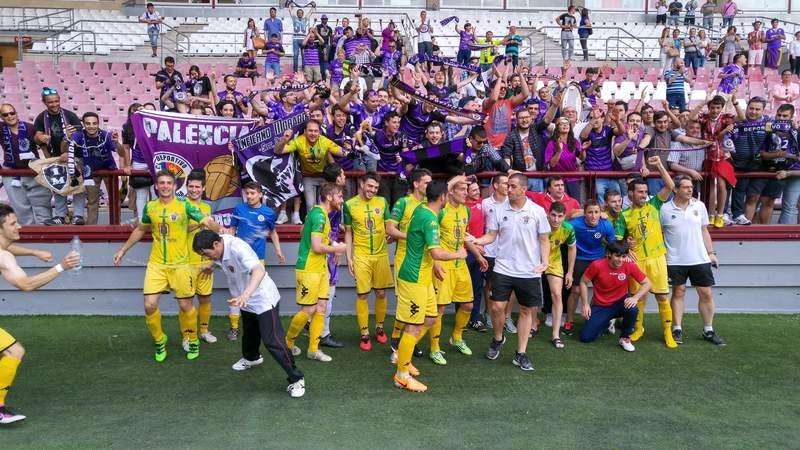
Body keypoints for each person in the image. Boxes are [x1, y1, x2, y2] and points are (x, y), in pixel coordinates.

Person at [112, 170, 221, 362]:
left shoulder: (184, 205)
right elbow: (140, 229)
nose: (164, 186)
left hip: (180, 265)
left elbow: (205, 220)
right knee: (149, 305)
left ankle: (193, 338)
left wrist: (219, 231)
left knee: (186, 305)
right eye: (161, 183)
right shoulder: (150, 207)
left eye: (168, 183)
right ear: (156, 185)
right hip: (157, 264)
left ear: (174, 186)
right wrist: (123, 250)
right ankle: (160, 339)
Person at [191, 230, 306, 398]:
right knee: (250, 332)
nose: (206, 257)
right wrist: (211, 265)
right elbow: (220, 259)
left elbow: (258, 270)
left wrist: (246, 294)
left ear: (216, 244)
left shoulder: (237, 248)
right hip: (243, 299)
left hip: (262, 299)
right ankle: (252, 357)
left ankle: (297, 378)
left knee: (272, 341)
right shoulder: (219, 247)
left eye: (206, 254)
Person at [0, 204, 80, 424]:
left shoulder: (4, 249)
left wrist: (34, 252)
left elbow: (9, 248)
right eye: (13, 224)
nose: (20, 226)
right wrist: (60, 267)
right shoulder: (3, 257)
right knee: (14, 352)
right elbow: (26, 284)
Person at [467, 173, 550, 372]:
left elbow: (544, 239)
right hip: (503, 267)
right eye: (507, 185)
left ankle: (520, 353)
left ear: (523, 189)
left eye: (512, 186)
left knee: (526, 310)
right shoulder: (498, 210)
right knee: (496, 307)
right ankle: (498, 338)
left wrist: (545, 262)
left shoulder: (537, 211)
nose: (508, 189)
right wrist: (477, 240)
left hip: (529, 270)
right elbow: (492, 235)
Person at [392, 180, 467, 392]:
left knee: (430, 318)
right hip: (414, 277)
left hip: (423, 276)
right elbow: (436, 251)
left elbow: (422, 244)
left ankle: (402, 356)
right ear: (443, 197)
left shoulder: (421, 209)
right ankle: (401, 375)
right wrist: (458, 254)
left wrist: (434, 265)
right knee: (414, 326)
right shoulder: (430, 220)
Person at [617, 156, 678, 348]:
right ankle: (638, 329)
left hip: (657, 258)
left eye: (645, 191)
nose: (644, 194)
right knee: (638, 297)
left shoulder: (654, 205)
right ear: (631, 194)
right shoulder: (623, 216)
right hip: (637, 260)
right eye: (640, 192)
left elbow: (670, 186)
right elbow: (618, 242)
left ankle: (668, 332)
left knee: (661, 296)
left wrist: (659, 165)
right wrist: (626, 252)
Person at [285, 182, 347, 362]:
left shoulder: (321, 214)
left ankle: (313, 349)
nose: (342, 200)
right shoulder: (320, 216)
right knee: (309, 308)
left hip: (320, 269)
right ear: (329, 197)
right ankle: (287, 343)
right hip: (309, 269)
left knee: (321, 307)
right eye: (340, 196)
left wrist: (335, 246)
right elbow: (316, 246)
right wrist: (338, 249)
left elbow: (309, 232)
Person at [661, 175, 726, 346]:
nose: (690, 190)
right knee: (678, 292)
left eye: (691, 187)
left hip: (699, 258)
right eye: (686, 187)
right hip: (674, 259)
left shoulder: (700, 205)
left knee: (706, 293)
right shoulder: (664, 209)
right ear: (675, 189)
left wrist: (711, 252)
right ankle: (676, 329)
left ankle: (708, 329)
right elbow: (659, 234)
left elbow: (704, 230)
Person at [427, 176, 481, 365]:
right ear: (451, 192)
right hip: (444, 265)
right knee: (440, 308)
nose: (466, 193)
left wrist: (479, 255)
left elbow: (463, 237)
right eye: (462, 189)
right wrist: (435, 263)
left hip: (461, 265)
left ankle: (456, 337)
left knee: (468, 305)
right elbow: (430, 239)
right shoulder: (440, 212)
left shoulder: (466, 210)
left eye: (467, 189)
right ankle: (434, 348)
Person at [227, 181, 285, 341]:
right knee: (236, 290)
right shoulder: (239, 209)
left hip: (257, 260)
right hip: (238, 258)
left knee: (256, 291)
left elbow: (273, 232)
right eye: (247, 193)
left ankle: (255, 322)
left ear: (260, 194)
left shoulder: (268, 213)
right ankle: (234, 326)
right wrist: (229, 250)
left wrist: (279, 251)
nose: (250, 196)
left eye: (253, 193)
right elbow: (232, 230)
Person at [343, 172, 393, 351]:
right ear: (362, 184)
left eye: (376, 188)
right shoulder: (349, 205)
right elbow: (348, 232)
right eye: (370, 186)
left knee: (381, 293)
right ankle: (364, 333)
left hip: (381, 255)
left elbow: (390, 227)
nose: (372, 190)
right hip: (361, 255)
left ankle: (379, 328)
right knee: (362, 294)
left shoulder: (382, 202)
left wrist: (393, 235)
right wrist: (349, 256)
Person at [578, 240, 650, 352]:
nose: (620, 260)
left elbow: (647, 283)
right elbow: (583, 282)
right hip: (601, 305)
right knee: (586, 337)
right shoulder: (597, 265)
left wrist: (635, 298)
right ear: (609, 254)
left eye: (623, 256)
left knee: (632, 308)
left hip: (620, 303)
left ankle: (624, 338)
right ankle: (606, 323)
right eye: (617, 256)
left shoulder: (629, 265)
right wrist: (585, 304)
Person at [562, 200, 617, 335]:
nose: (593, 216)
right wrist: (575, 213)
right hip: (580, 259)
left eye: (596, 212)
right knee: (575, 291)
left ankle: (592, 319)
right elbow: (560, 224)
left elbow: (613, 246)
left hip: (599, 260)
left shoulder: (606, 225)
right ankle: (569, 321)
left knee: (600, 291)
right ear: (584, 214)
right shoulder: (575, 224)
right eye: (590, 212)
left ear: (601, 213)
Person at [274, 120, 344, 223]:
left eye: (316, 131)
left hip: (324, 177)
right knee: (310, 205)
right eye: (310, 131)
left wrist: (353, 149)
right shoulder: (299, 141)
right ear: (305, 131)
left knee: (327, 203)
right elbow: (278, 151)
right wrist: (284, 139)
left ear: (319, 132)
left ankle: (328, 227)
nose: (313, 133)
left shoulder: (324, 141)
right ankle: (314, 228)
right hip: (308, 177)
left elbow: (341, 152)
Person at [32, 87, 82, 226]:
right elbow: (37, 139)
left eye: (56, 101)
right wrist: (40, 138)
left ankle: (78, 215)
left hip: (74, 156)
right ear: (44, 102)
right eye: (50, 102)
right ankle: (60, 215)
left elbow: (80, 137)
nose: (54, 104)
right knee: (58, 186)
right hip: (55, 157)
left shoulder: (70, 115)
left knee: (77, 186)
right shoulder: (41, 118)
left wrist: (70, 143)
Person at [0, 103, 51, 225]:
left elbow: (43, 146)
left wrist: (49, 164)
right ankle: (28, 233)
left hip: (33, 170)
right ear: (2, 117)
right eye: (5, 114)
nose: (10, 116)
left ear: (17, 114)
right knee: (20, 206)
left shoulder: (29, 127)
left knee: (41, 203)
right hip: (11, 172)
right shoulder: (1, 128)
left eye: (12, 113)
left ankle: (46, 231)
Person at [64, 111, 118, 225]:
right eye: (88, 123)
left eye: (94, 123)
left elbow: (121, 153)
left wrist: (117, 142)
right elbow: (65, 149)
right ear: (83, 124)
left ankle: (116, 226)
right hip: (91, 172)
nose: (91, 126)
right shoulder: (79, 135)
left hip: (110, 170)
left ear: (98, 124)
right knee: (93, 201)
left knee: (114, 200)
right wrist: (67, 138)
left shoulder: (106, 135)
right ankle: (91, 228)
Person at [182, 170, 217, 348]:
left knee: (205, 298)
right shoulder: (180, 205)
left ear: (203, 188)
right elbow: (181, 230)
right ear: (186, 187)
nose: (194, 190)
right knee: (186, 301)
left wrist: (212, 261)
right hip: (185, 262)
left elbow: (211, 234)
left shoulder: (207, 207)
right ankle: (188, 336)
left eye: (197, 187)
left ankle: (204, 331)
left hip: (204, 262)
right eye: (191, 186)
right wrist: (199, 222)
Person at [543, 201, 575, 349]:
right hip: (533, 259)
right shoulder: (540, 223)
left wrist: (570, 272)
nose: (556, 219)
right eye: (553, 215)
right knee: (531, 294)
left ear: (564, 217)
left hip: (554, 260)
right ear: (548, 214)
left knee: (557, 294)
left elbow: (572, 249)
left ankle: (555, 335)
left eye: (560, 216)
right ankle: (532, 325)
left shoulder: (568, 229)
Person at [289, 4, 314, 73]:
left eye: (301, 13)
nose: (300, 14)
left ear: (303, 14)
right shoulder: (294, 18)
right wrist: (290, 5)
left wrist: (312, 6)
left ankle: (304, 70)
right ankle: (295, 71)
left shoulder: (305, 19)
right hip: (296, 39)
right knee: (295, 55)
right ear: (297, 14)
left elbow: (310, 12)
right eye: (298, 13)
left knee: (304, 56)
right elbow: (290, 11)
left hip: (303, 39)